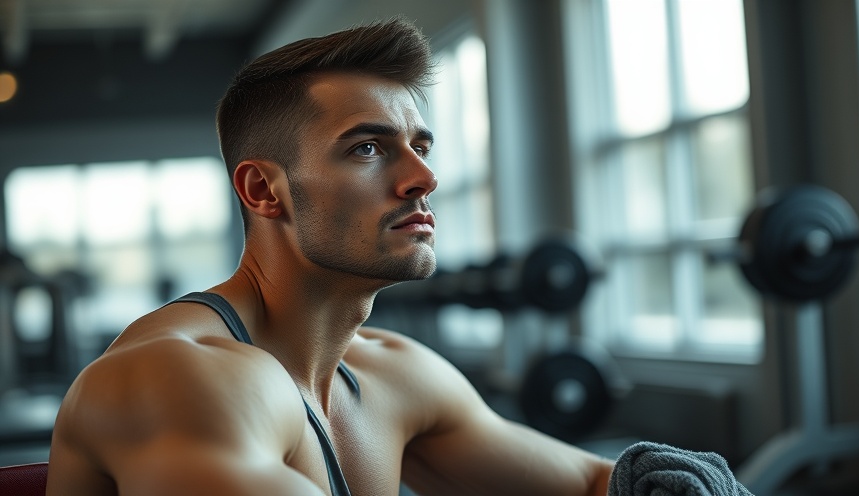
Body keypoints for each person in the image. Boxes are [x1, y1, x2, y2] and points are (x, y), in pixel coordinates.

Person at [46, 17, 615, 495]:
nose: (424, 178)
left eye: (419, 147)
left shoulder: (392, 373)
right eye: (367, 148)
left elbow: (595, 483)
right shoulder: (179, 377)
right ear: (264, 191)